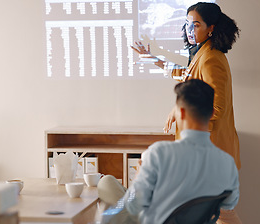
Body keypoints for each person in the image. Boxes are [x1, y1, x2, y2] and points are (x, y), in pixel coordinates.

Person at [98, 79, 240, 224]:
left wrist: (138, 177)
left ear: (182, 113)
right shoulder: (228, 164)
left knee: (106, 183)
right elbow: (227, 208)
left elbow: (133, 206)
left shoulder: (158, 154)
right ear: (212, 113)